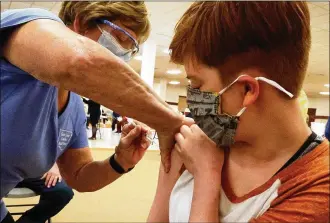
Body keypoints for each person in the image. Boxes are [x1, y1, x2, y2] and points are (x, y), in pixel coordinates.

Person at [0, 2, 193, 222]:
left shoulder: (72, 107)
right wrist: (167, 121)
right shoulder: (29, 23)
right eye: (119, 38)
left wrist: (121, 161)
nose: (122, 54)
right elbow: (79, 61)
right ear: (81, 22)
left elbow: (80, 176)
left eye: (131, 49)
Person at [148, 2, 329, 222]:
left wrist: (207, 175)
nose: (193, 99)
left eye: (197, 86)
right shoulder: (196, 142)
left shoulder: (317, 185)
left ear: (247, 90)